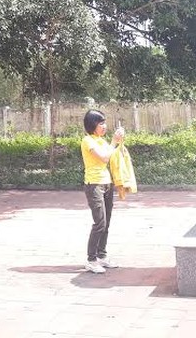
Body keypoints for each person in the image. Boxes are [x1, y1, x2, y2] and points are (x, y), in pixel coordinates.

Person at [81, 109, 124, 274]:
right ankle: (91, 260)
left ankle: (102, 256)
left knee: (107, 222)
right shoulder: (88, 141)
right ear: (93, 125)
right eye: (101, 123)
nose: (104, 126)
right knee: (100, 223)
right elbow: (104, 157)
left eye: (104, 123)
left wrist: (119, 140)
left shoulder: (101, 141)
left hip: (107, 183)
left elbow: (112, 156)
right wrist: (113, 141)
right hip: (94, 184)